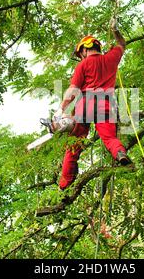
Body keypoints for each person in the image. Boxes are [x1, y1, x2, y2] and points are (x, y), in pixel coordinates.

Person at [54, 19, 132, 190]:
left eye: (80, 52)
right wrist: (115, 30)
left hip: (86, 106)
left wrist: (61, 110)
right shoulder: (111, 58)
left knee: (74, 145)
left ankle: (65, 184)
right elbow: (122, 44)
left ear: (85, 49)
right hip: (106, 105)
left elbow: (73, 90)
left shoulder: (83, 64)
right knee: (110, 139)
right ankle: (120, 153)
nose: (80, 56)